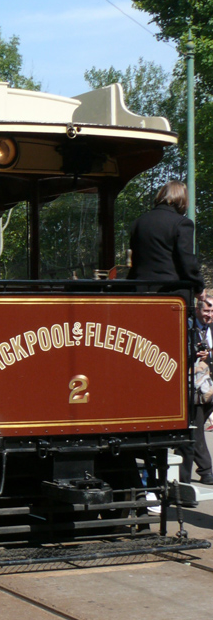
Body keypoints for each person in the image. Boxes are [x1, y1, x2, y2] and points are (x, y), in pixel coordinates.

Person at [128, 179, 205, 299]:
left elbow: (135, 259)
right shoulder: (182, 223)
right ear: (182, 199)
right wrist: (199, 287)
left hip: (139, 291)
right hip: (171, 292)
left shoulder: (139, 222)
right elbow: (187, 260)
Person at [182, 298, 213, 486]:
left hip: (209, 384)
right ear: (198, 310)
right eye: (207, 310)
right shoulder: (189, 326)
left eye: (212, 311)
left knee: (195, 428)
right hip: (196, 385)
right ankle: (206, 470)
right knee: (197, 424)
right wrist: (194, 352)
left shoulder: (210, 327)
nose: (210, 315)